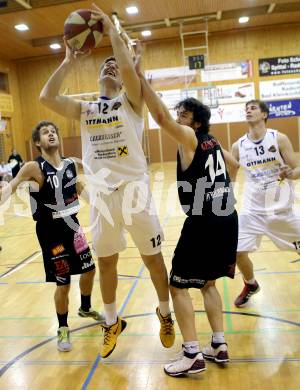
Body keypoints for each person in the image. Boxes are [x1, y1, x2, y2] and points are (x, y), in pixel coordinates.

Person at [39, 5, 174, 359]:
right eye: (106, 65)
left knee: (153, 259)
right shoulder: (84, 109)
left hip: (135, 193)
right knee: (108, 262)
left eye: (116, 66)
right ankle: (111, 321)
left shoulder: (131, 102)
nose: (111, 67)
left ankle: (164, 312)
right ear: (97, 76)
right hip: (102, 197)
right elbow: (46, 98)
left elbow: (127, 68)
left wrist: (114, 32)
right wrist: (69, 60)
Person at [134, 50, 238, 376]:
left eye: (185, 111)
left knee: (177, 285)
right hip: (227, 217)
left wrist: (139, 78)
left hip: (204, 221)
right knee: (208, 283)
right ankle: (219, 343)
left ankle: (192, 353)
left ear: (196, 121)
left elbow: (161, 118)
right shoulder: (214, 142)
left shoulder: (190, 137)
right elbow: (233, 168)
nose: (178, 114)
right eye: (179, 109)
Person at [0, 120, 104, 352]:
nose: (51, 134)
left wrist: (104, 203)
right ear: (37, 142)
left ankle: (85, 307)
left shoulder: (69, 164)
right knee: (63, 282)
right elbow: (13, 186)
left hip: (73, 226)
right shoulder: (32, 167)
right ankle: (63, 328)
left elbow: (80, 189)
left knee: (89, 269)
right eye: (45, 133)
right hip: (50, 232)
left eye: (53, 131)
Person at [231, 99, 300, 307]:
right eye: (246, 109)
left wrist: (291, 173)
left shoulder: (279, 138)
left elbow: (296, 170)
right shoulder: (238, 146)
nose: (248, 111)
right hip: (252, 211)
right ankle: (250, 284)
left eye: (253, 108)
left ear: (264, 115)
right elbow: (230, 178)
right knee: (237, 252)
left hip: (282, 211)